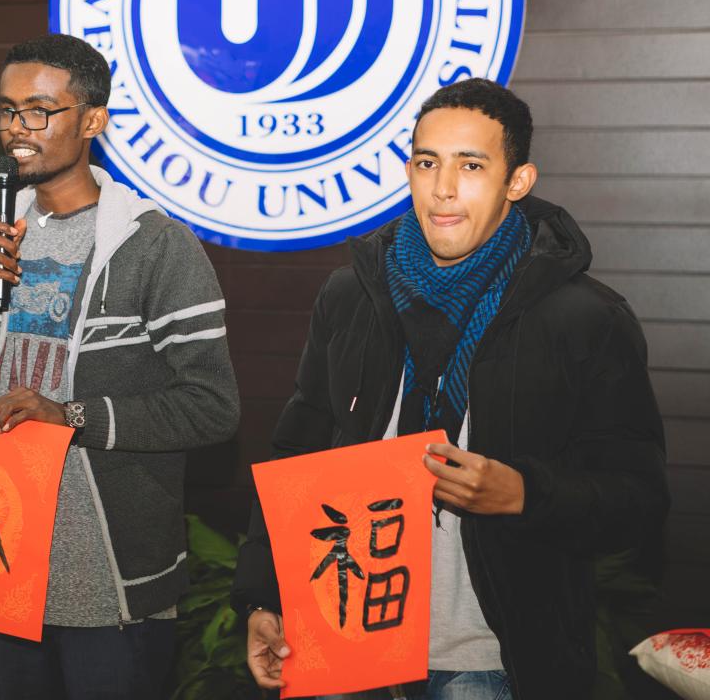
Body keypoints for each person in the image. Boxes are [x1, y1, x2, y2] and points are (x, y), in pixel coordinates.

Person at [232, 78, 669, 700]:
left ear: (517, 181)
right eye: (426, 162)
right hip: (344, 641)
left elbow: (638, 500)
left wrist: (525, 493)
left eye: (471, 165)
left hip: (486, 658)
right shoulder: (351, 294)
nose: (442, 187)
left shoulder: (585, 318)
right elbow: (298, 455)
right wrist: (266, 596)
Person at [0, 33, 240, 700]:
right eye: (7, 111)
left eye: (39, 111)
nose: (17, 128)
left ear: (93, 121)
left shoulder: (156, 247)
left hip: (108, 582)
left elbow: (213, 408)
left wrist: (70, 416)